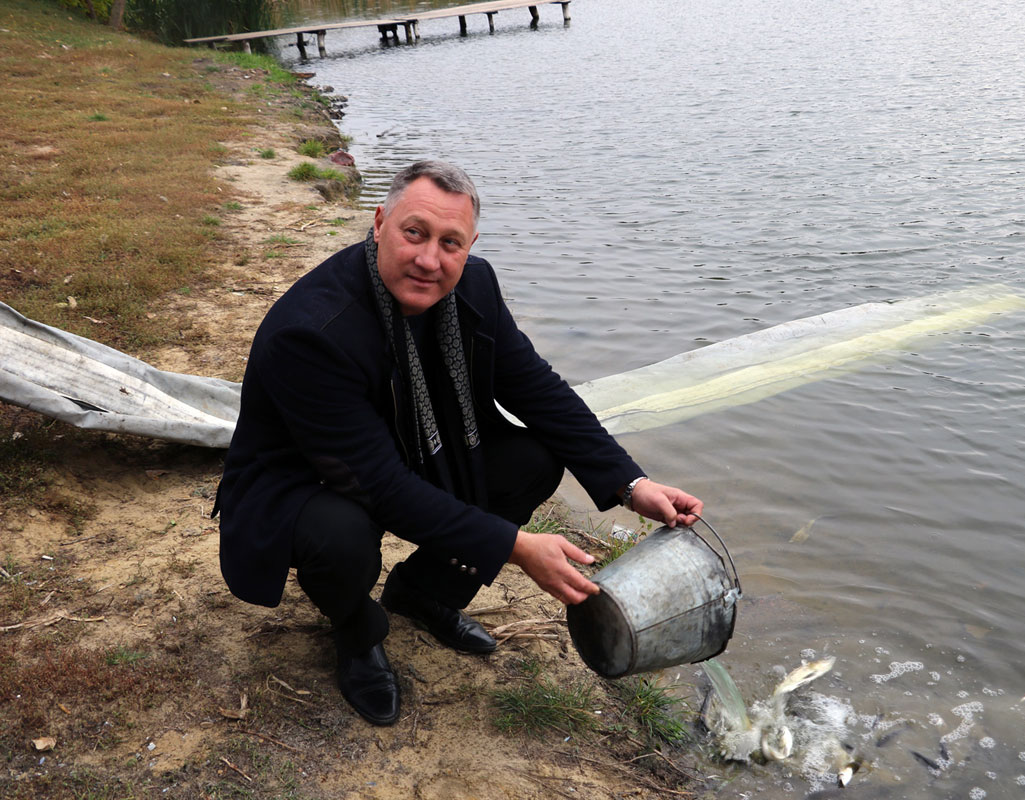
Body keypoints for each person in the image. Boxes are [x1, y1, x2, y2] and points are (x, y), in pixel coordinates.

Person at [215, 160, 703, 726]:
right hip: (308, 479)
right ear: (379, 224)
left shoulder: (475, 285)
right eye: (414, 233)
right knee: (340, 536)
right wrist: (516, 547)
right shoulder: (314, 332)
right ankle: (355, 631)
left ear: (470, 246)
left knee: (531, 459)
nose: (429, 260)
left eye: (451, 243)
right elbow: (381, 487)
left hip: (411, 446)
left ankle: (423, 593)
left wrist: (630, 483)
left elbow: (537, 389)